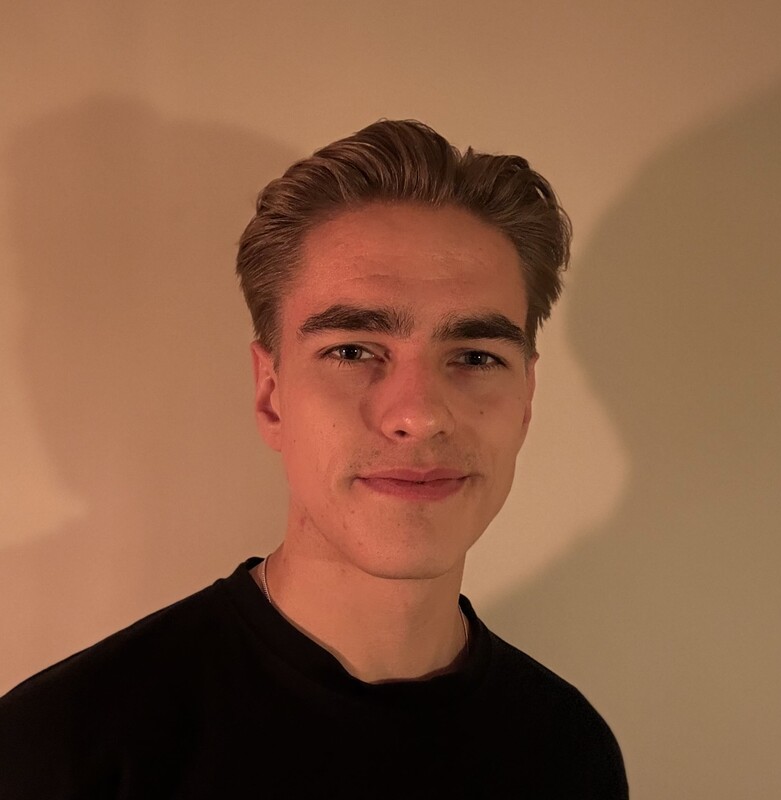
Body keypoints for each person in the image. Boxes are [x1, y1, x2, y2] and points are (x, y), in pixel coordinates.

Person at [0, 120, 628, 798]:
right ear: (271, 395)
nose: (419, 414)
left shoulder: (569, 750)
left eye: (476, 357)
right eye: (352, 351)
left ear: (526, 401)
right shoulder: (58, 752)